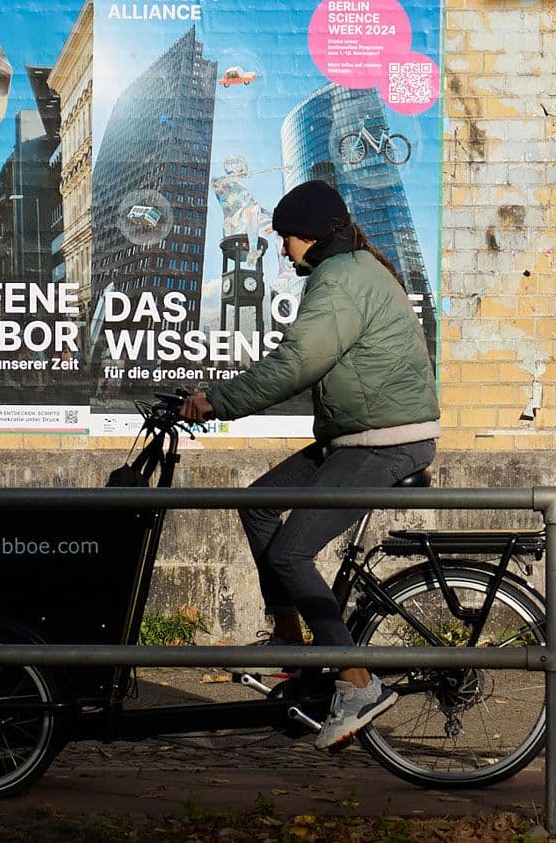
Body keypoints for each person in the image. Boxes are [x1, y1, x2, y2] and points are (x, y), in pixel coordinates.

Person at [179, 179, 438, 752]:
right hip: (355, 438)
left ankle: (355, 680)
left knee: (291, 552)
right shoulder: (349, 271)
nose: (281, 250)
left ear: (311, 236)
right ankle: (291, 641)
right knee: (257, 504)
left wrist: (216, 402)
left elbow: (298, 362)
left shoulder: (341, 280)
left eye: (285, 238)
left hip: (384, 443)